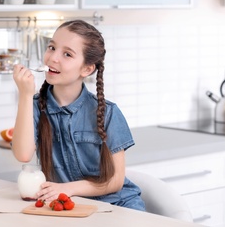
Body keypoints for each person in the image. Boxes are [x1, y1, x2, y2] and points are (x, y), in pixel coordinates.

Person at [11, 19, 145, 211]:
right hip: (69, 207)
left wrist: (67, 189)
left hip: (118, 206)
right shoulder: (34, 106)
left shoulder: (108, 112)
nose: (53, 58)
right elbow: (23, 155)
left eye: (67, 54)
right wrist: (24, 94)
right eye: (51, 47)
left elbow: (115, 181)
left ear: (87, 69)